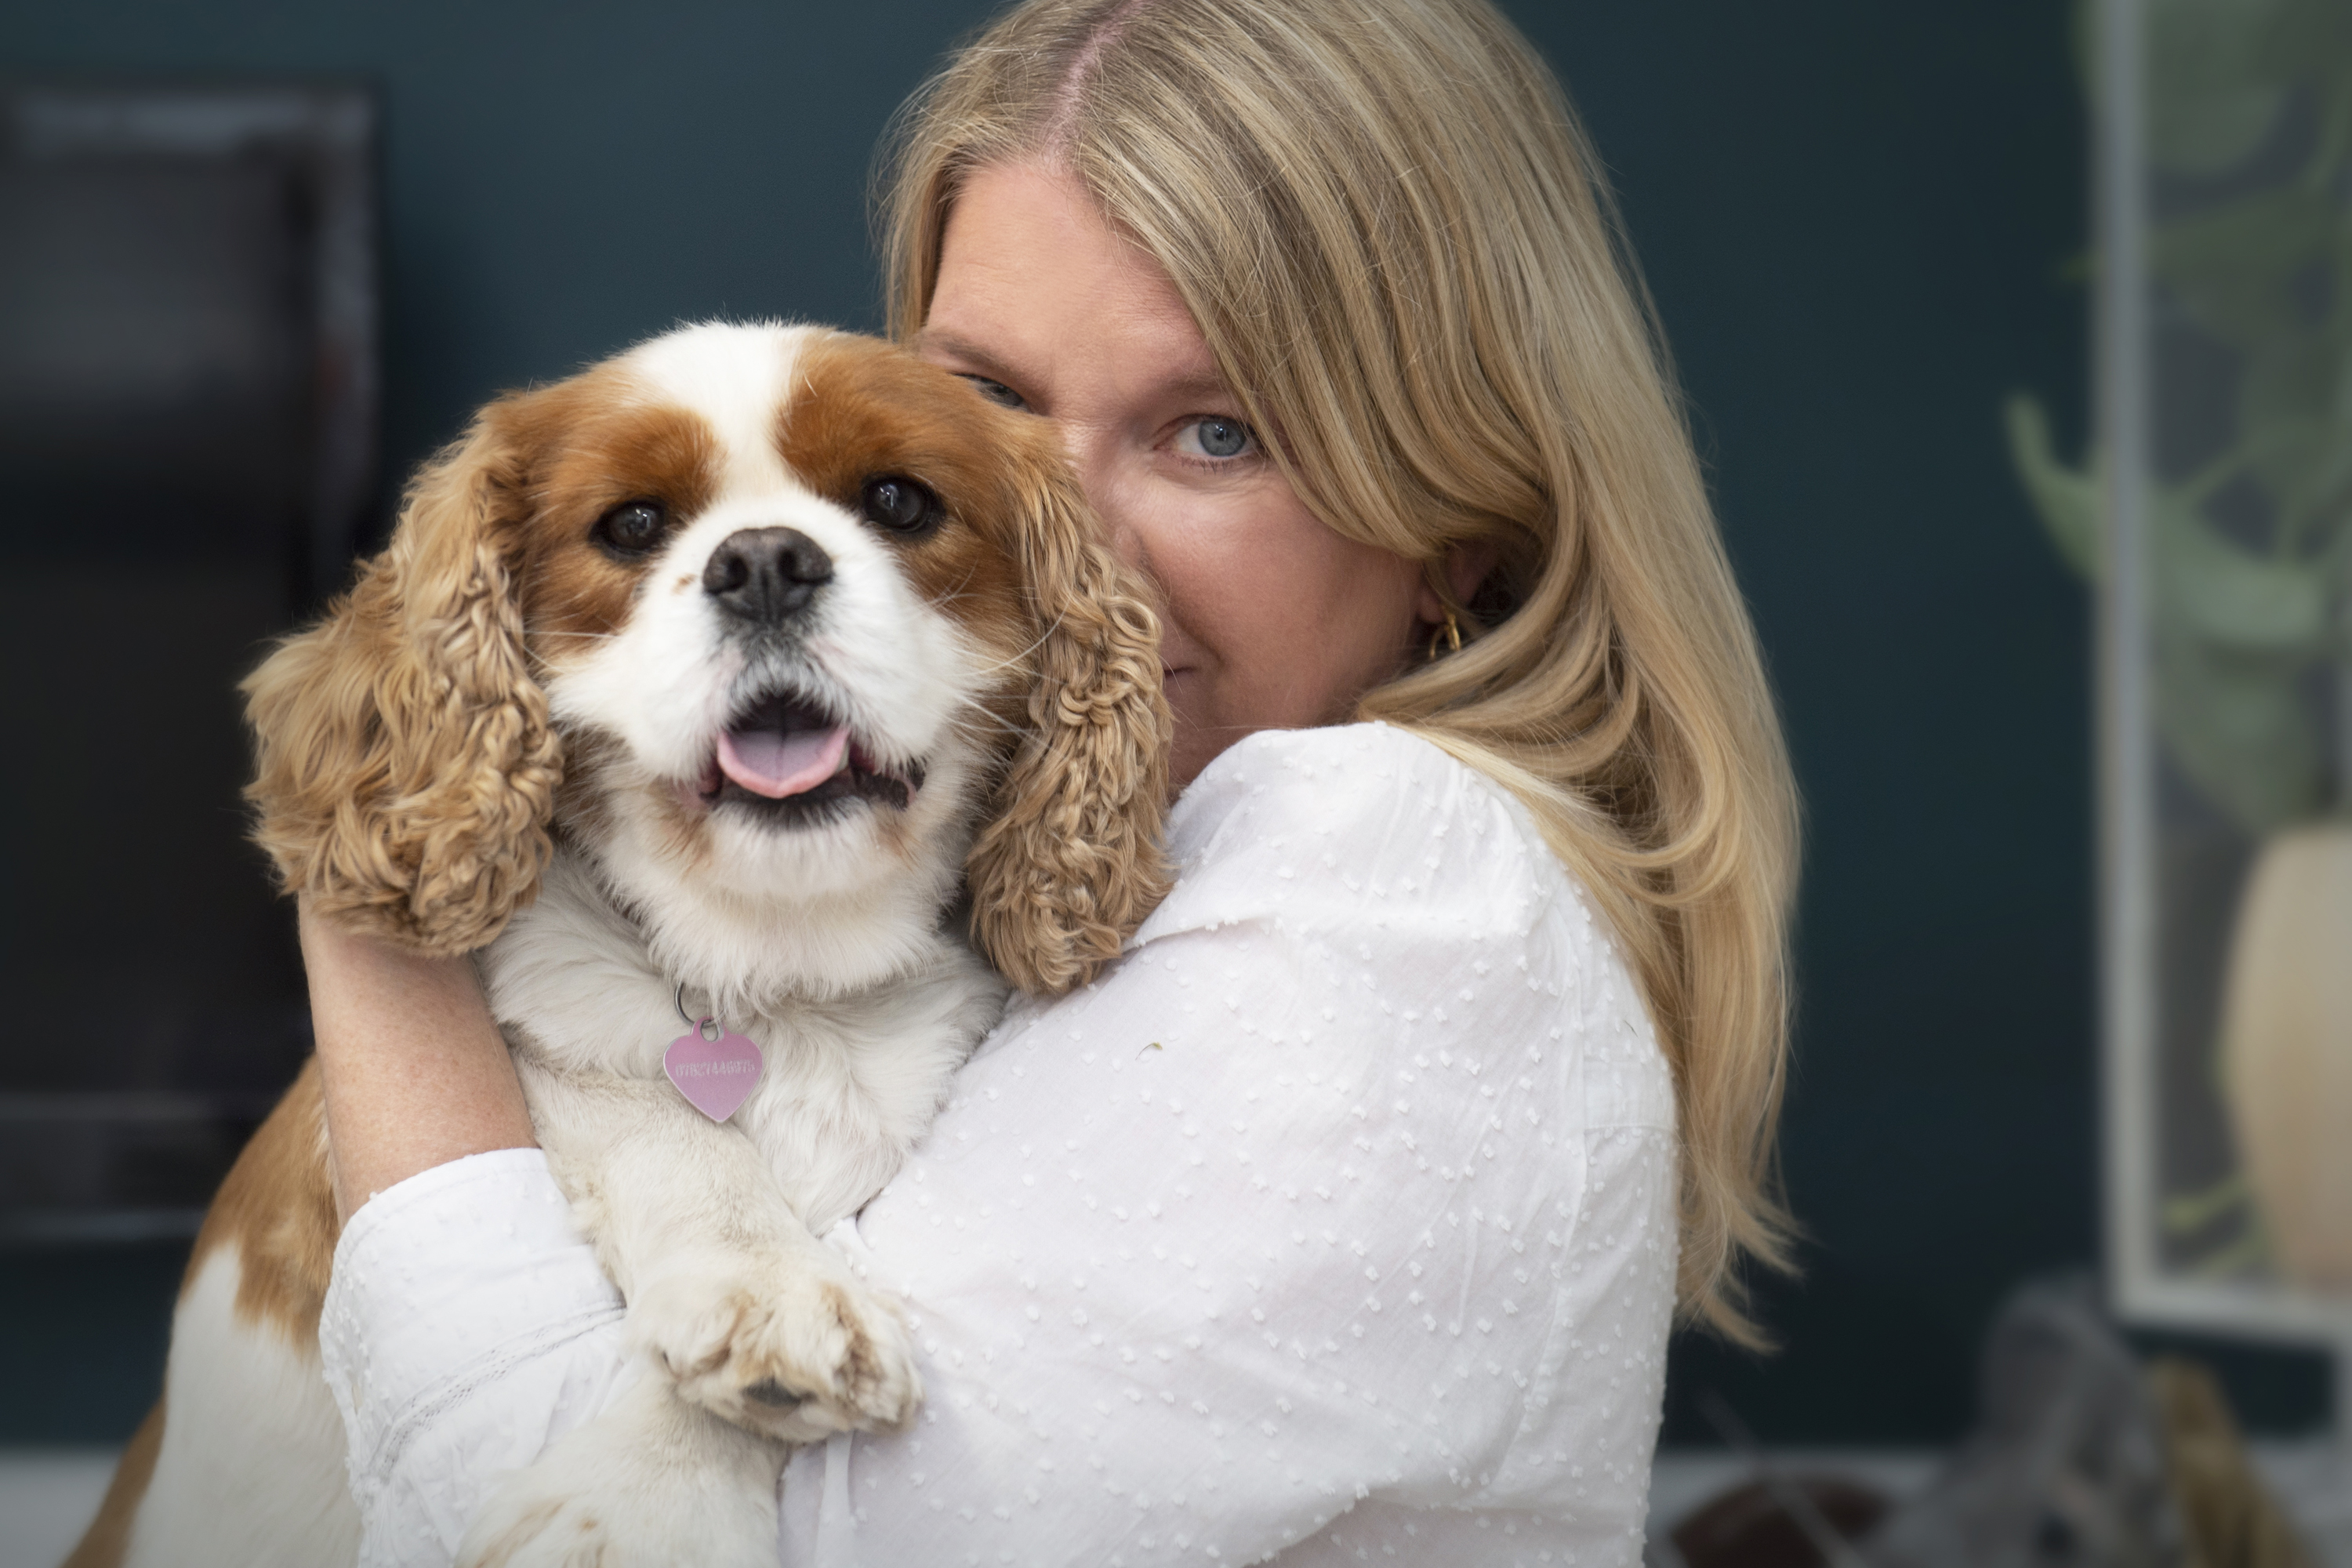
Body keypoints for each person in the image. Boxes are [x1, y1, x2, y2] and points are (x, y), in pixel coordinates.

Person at [305, 0, 1801, 1562]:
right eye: (988, 415)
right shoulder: (987, 877)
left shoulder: (1400, 879)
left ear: (1455, 527)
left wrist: (370, 928)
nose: (1052, 540)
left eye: (1215, 434)